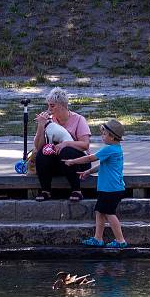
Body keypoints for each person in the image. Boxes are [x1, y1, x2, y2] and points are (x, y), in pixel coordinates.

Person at [64, 119, 128, 248]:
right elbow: (102, 165)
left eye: (104, 134)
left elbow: (90, 158)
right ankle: (98, 238)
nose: (102, 136)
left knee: (109, 213)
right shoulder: (116, 149)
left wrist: (73, 161)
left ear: (112, 136)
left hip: (111, 189)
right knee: (100, 212)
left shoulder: (109, 149)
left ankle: (121, 241)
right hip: (109, 188)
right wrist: (88, 171)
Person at [33, 87, 92, 201]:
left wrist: (66, 143)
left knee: (66, 151)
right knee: (42, 152)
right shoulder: (49, 121)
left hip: (79, 162)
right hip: (58, 164)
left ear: (62, 105)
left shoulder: (79, 119)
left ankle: (76, 190)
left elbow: (85, 145)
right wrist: (40, 126)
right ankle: (45, 190)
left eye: (52, 105)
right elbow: (39, 146)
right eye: (48, 105)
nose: (49, 109)